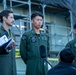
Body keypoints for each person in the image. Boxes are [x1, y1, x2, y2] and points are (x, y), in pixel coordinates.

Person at [0, 10, 16, 75]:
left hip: (12, 67)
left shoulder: (12, 34)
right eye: (11, 17)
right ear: (4, 18)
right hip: (2, 67)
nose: (13, 20)